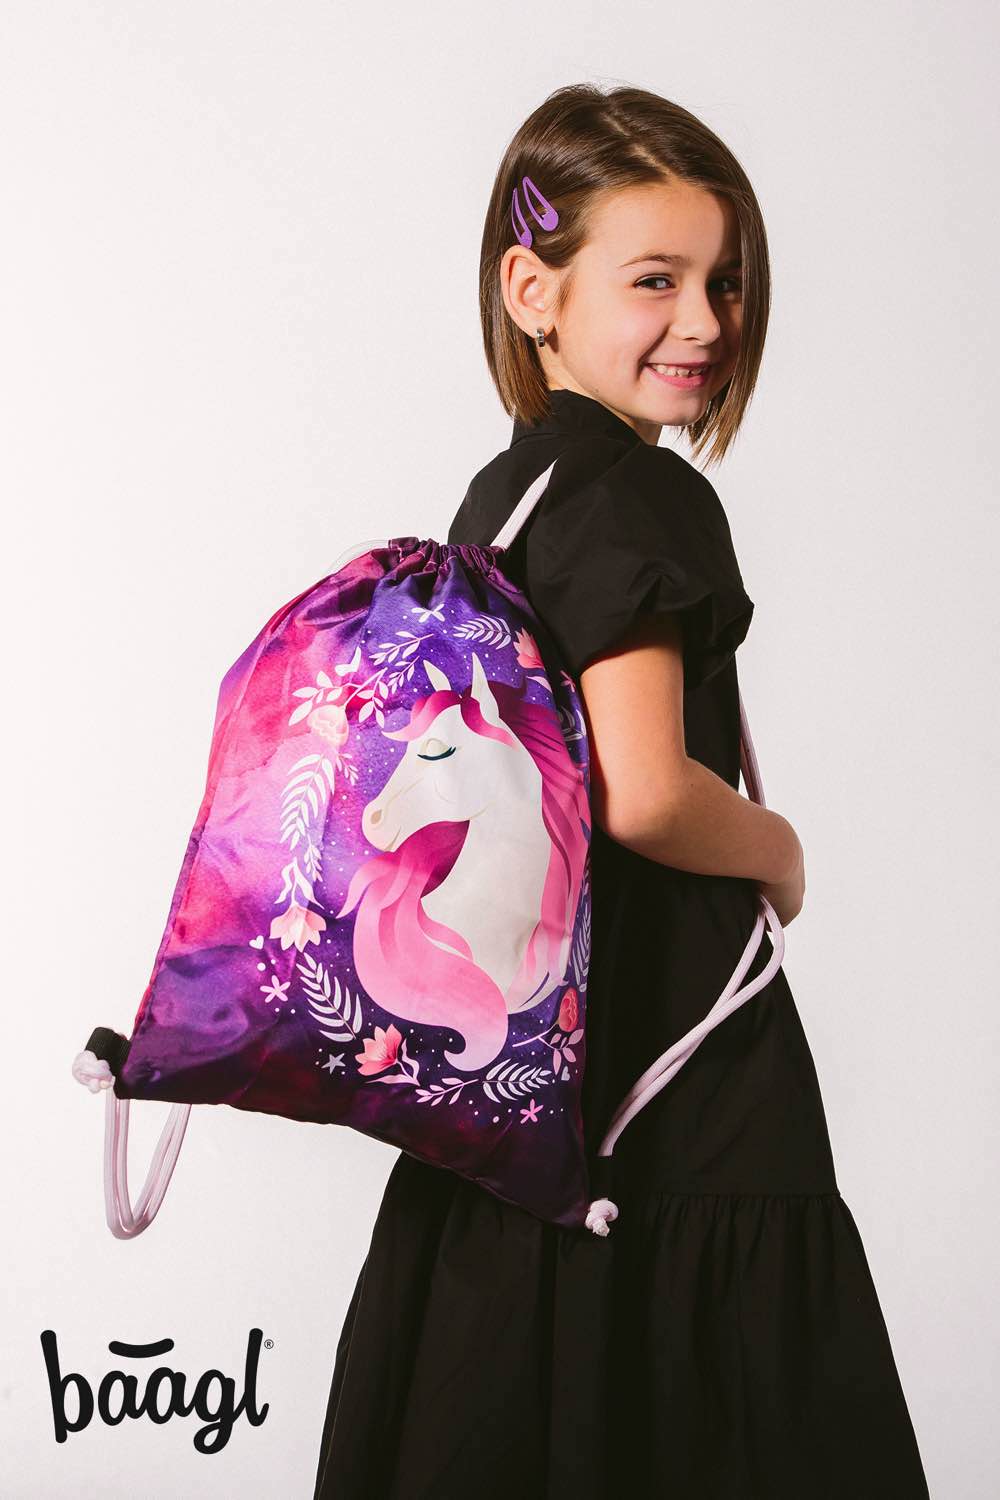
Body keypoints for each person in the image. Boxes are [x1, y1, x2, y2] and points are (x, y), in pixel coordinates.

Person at [313, 82, 930, 1499]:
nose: (704, 321)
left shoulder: (501, 501)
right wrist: (780, 851)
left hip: (538, 1074)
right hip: (678, 1066)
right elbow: (645, 795)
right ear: (533, 291)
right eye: (655, 279)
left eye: (725, 280)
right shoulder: (646, 498)